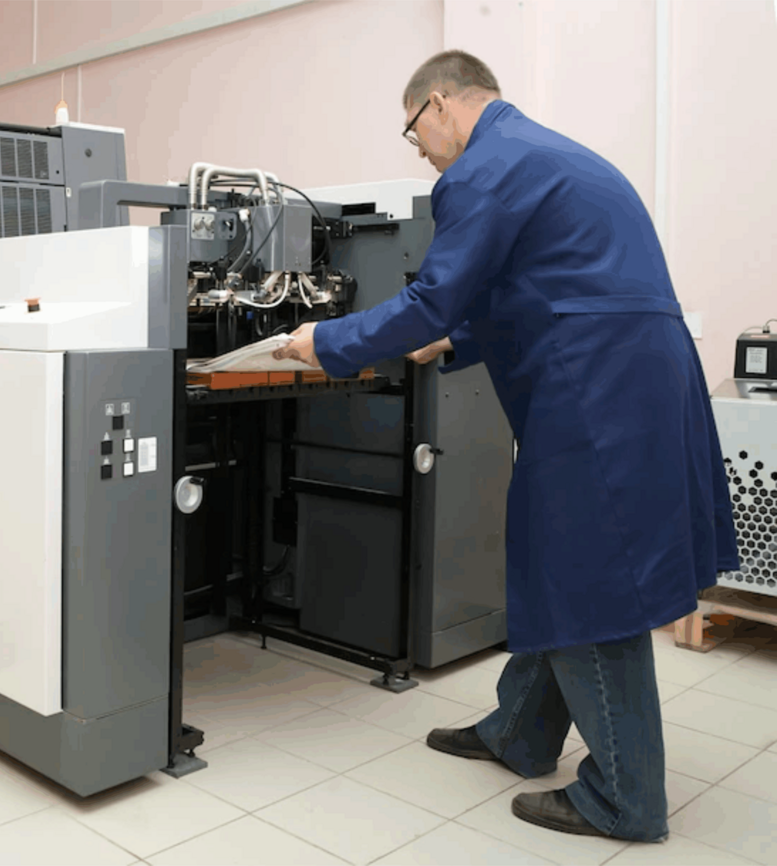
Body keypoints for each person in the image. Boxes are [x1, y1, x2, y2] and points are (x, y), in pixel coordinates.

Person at [274, 50, 738, 842]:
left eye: (413, 129)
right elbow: (544, 287)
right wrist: (451, 343)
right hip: (638, 376)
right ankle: (520, 732)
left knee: (588, 577)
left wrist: (330, 341)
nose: (417, 148)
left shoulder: (481, 171)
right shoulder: (552, 154)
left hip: (596, 389)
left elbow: (432, 295)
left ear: (442, 105)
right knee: (565, 559)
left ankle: (625, 797)